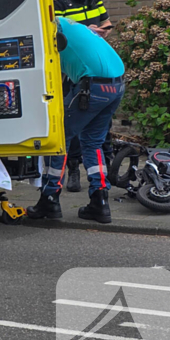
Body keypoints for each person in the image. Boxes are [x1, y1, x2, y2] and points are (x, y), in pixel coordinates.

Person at [27, 17, 125, 224]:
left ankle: (49, 198)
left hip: (92, 86)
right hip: (116, 85)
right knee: (93, 142)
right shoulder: (72, 26)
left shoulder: (49, 27)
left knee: (59, 139)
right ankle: (100, 201)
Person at [54, 0, 112, 192]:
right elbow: (57, 31)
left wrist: (103, 31)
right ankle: (73, 170)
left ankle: (105, 171)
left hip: (96, 68)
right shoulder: (58, 2)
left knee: (101, 125)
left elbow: (107, 23)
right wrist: (85, 32)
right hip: (73, 70)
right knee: (74, 123)